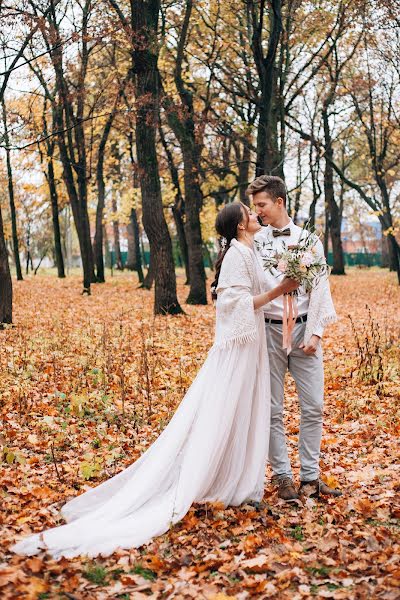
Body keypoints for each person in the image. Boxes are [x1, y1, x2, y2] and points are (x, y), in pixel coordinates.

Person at [12, 202, 298, 559]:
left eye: (256, 210)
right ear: (240, 225)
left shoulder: (249, 248)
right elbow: (230, 303)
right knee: (227, 408)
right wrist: (278, 290)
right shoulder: (238, 254)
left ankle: (236, 478)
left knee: (247, 409)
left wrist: (290, 280)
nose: (255, 215)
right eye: (249, 212)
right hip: (239, 347)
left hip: (252, 343)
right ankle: (215, 477)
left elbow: (261, 283)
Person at [249, 175, 342, 501]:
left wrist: (316, 332)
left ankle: (311, 478)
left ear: (279, 202)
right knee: (273, 408)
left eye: (261, 204)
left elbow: (321, 288)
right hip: (269, 330)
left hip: (304, 329)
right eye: (254, 205)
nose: (256, 211)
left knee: (314, 405)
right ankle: (283, 477)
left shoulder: (309, 241)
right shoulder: (254, 242)